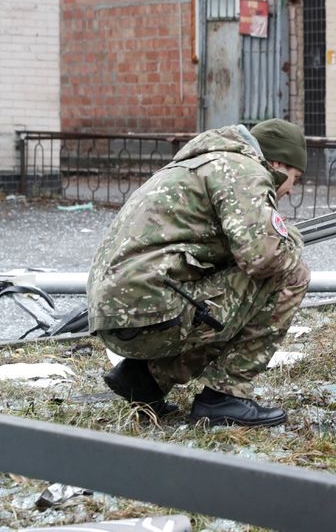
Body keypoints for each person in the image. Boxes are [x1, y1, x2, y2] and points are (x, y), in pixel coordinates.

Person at [86, 119, 311, 427]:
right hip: (151, 312)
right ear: (278, 163)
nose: (291, 189)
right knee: (291, 274)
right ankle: (225, 395)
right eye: (295, 178)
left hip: (116, 315)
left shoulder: (202, 163)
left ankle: (146, 378)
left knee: (233, 293)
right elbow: (263, 258)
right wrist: (291, 239)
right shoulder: (244, 170)